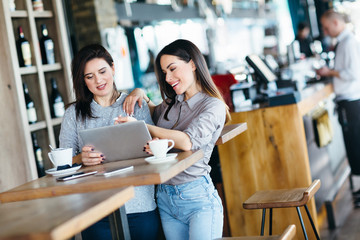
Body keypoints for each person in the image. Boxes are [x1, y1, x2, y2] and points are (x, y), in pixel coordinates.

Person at [119, 39, 231, 240]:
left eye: (172, 69)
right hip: (165, 198)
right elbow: (154, 113)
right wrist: (140, 93)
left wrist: (138, 126)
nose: (168, 77)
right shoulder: (173, 102)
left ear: (193, 64)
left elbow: (187, 141)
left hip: (198, 198)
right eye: (164, 72)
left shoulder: (212, 106)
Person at [59, 44, 160, 239]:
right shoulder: (73, 114)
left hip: (140, 204)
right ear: (83, 81)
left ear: (113, 68)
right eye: (89, 76)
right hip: (95, 210)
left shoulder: (136, 103)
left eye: (102, 71)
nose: (98, 80)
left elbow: (153, 149)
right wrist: (82, 158)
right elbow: (64, 162)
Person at [316, 9, 360, 207]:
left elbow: (353, 73)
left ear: (335, 23)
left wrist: (329, 71)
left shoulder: (348, 42)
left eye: (326, 27)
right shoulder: (343, 42)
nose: (325, 31)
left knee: (355, 147)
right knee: (353, 147)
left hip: (351, 102)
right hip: (348, 101)